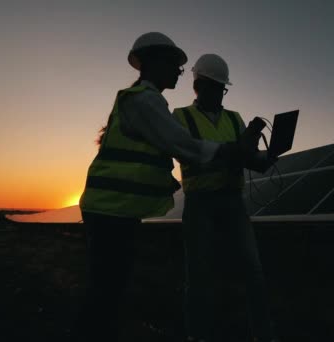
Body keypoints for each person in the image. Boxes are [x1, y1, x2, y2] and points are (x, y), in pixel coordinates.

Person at [74, 33, 260, 342]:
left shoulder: (145, 101)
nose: (178, 72)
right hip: (110, 209)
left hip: (117, 208)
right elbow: (183, 145)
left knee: (108, 291)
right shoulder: (144, 101)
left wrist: (249, 153)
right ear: (155, 62)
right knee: (105, 294)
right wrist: (231, 151)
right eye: (175, 65)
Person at [172, 54, 278, 342]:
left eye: (223, 88)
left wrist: (267, 156)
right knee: (199, 277)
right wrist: (238, 149)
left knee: (253, 272)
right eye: (217, 87)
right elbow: (190, 152)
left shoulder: (234, 119)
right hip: (200, 205)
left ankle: (263, 335)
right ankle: (198, 335)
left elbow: (249, 157)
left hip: (233, 202)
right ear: (200, 86)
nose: (221, 93)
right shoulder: (180, 117)